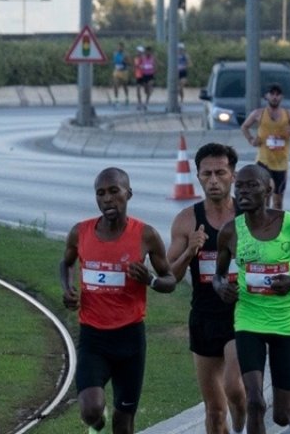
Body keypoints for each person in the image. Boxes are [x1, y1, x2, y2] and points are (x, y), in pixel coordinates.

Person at [214, 164, 290, 434]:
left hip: (285, 320)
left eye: (251, 185)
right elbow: (218, 276)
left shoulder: (289, 223)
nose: (243, 191)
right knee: (255, 401)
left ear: (268, 189)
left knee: (282, 416)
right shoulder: (230, 231)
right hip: (249, 317)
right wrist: (221, 288)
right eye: (239, 186)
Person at [59, 167, 178, 434]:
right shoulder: (81, 232)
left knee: (123, 425)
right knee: (90, 410)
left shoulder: (145, 235)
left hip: (130, 340)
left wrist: (150, 281)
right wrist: (67, 289)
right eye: (100, 193)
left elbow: (170, 280)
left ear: (129, 194)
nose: (107, 199)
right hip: (93, 338)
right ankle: (95, 425)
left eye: (114, 191)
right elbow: (65, 263)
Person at [166, 143, 246, 434]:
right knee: (214, 412)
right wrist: (190, 251)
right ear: (198, 177)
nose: (214, 180)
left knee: (235, 389)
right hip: (203, 318)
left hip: (243, 316)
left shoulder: (249, 217)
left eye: (221, 173)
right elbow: (168, 277)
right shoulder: (187, 220)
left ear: (233, 175)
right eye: (207, 174)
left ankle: (243, 427)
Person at [240, 84, 290, 209]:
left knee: (278, 201)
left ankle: (275, 225)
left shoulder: (288, 115)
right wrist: (251, 139)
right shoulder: (259, 114)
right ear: (266, 96)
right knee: (264, 197)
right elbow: (244, 126)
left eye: (277, 94)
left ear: (281, 97)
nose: (274, 97)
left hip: (281, 163)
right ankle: (263, 225)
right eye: (272, 94)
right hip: (263, 162)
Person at [136, 45, 157, 111]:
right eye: (147, 52)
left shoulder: (153, 58)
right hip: (144, 75)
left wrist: (154, 71)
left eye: (149, 52)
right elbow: (139, 65)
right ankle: (150, 91)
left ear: (151, 52)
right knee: (146, 90)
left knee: (149, 85)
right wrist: (141, 67)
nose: (148, 53)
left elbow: (155, 66)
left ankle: (146, 103)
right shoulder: (143, 58)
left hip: (150, 75)